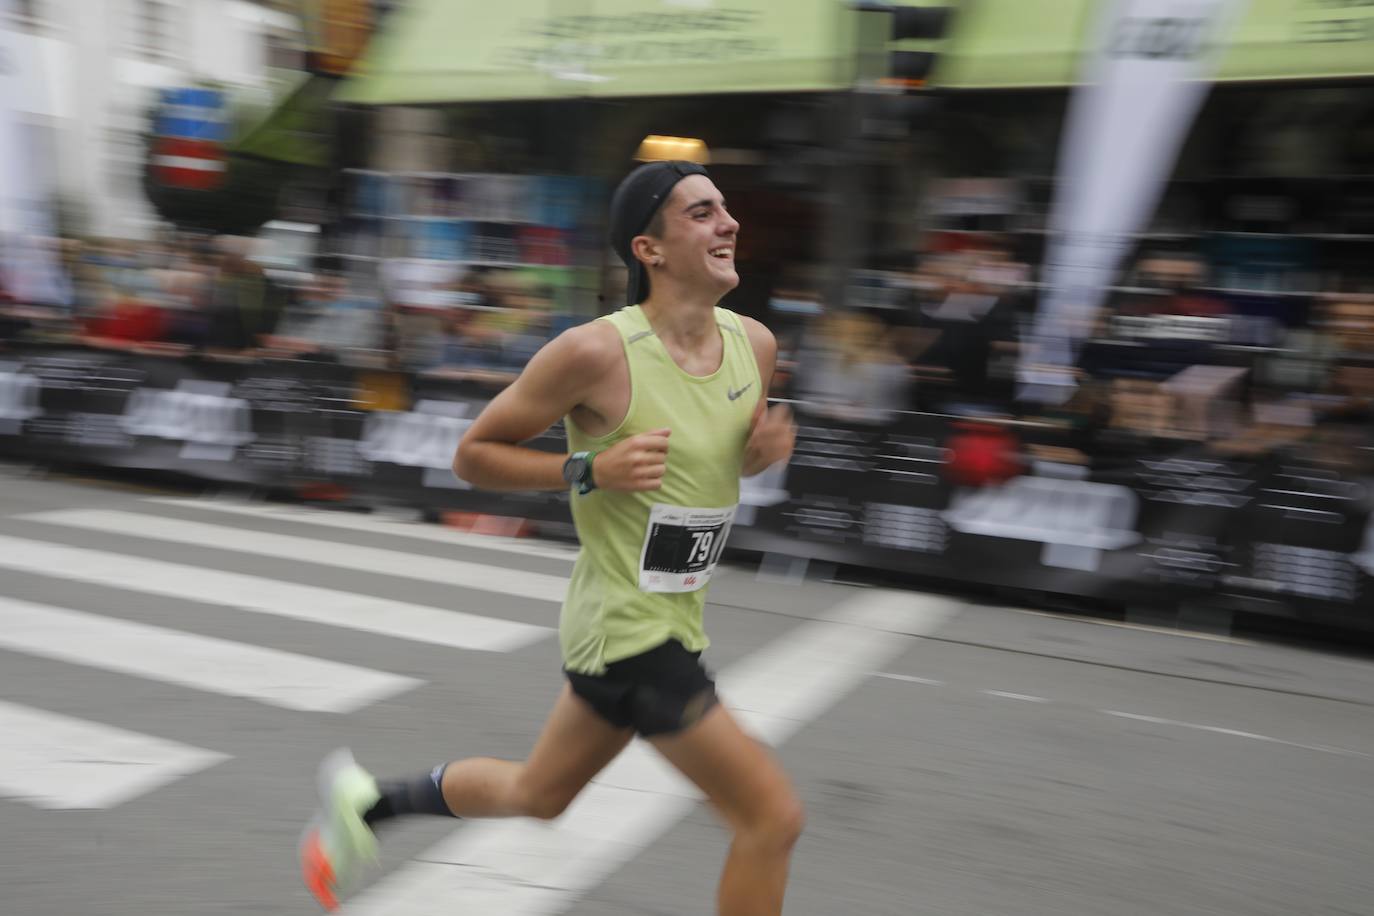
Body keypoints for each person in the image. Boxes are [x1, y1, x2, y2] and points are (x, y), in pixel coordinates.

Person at [299, 160, 801, 915]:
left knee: (540, 795)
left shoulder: (754, 346)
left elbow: (712, 459)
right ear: (649, 249)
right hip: (628, 632)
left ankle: (368, 804)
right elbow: (474, 454)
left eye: (724, 208)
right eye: (701, 213)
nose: (728, 222)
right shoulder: (596, 353)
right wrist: (587, 468)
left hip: (674, 618)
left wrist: (755, 454)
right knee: (771, 819)